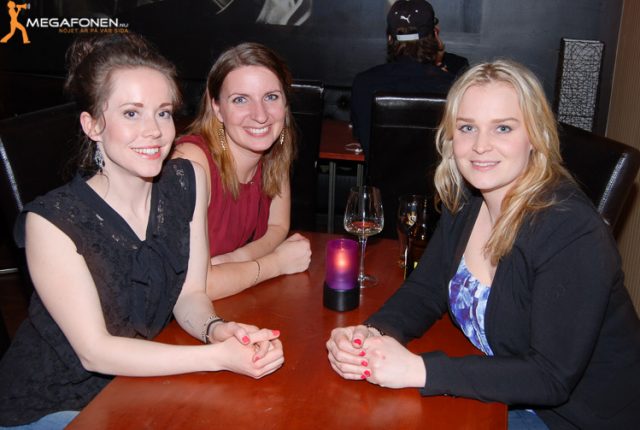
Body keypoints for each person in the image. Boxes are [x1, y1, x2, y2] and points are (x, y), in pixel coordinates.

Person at [327, 60, 640, 429]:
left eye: (502, 128)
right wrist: (375, 333)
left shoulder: (571, 230)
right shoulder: (469, 200)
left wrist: (418, 369)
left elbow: (550, 377)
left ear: (535, 136)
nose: (480, 146)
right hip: (502, 392)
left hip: (571, 418)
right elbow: (427, 289)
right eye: (467, 127)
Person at [0, 33, 284, 429]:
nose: (154, 130)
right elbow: (95, 352)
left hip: (134, 386)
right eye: (131, 113)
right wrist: (216, 358)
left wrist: (216, 330)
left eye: (163, 113)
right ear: (92, 125)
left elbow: (190, 294)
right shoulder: (51, 223)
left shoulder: (187, 181)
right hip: (52, 404)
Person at [173, 42, 311, 301]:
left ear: (285, 103)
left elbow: (278, 226)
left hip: (230, 307)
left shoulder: (273, 151)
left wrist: (237, 258)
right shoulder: (191, 162)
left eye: (271, 97)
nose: (260, 115)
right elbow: (190, 287)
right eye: (240, 100)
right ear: (217, 108)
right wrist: (276, 264)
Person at [350, 0, 469, 157]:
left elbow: (360, 135)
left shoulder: (363, 83)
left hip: (384, 173)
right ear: (434, 36)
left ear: (390, 39)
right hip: (440, 173)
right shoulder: (455, 87)